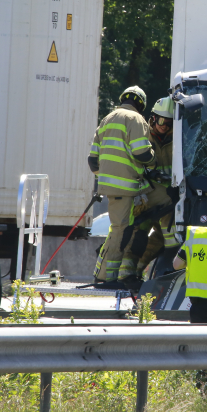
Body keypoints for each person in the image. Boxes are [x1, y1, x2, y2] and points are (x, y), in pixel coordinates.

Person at [88, 86, 155, 283]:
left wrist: (108, 176)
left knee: (118, 228)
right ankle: (109, 278)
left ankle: (108, 275)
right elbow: (141, 152)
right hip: (125, 188)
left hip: (109, 187)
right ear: (140, 104)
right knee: (121, 230)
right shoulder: (135, 119)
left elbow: (93, 161)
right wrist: (154, 161)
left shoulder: (106, 119)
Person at [124, 97, 178, 280]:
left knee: (165, 236)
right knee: (136, 233)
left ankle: (139, 269)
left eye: (169, 123)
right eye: (161, 121)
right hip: (145, 195)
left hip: (168, 199)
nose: (164, 126)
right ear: (153, 118)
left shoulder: (178, 140)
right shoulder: (142, 135)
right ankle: (126, 274)